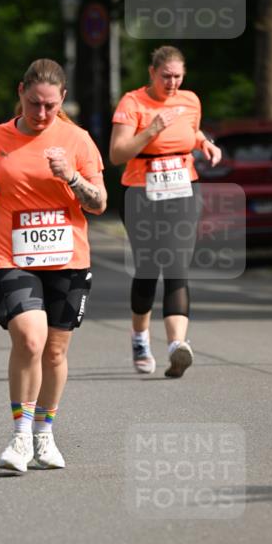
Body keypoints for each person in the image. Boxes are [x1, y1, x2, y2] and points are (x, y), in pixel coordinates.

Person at [0, 59, 107, 473]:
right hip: (12, 254)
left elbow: (99, 203)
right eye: (34, 104)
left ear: (62, 98)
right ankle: (20, 436)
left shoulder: (78, 140)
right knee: (29, 340)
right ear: (20, 93)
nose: (42, 113)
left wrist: (71, 178)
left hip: (67, 257)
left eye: (50, 105)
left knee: (54, 350)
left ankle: (45, 435)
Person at [109, 45, 222, 378]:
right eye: (165, 76)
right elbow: (117, 154)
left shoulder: (190, 100)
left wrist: (205, 143)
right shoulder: (133, 103)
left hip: (184, 190)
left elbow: (191, 130)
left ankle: (177, 346)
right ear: (151, 73)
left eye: (177, 77)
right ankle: (140, 338)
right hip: (142, 193)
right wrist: (152, 128)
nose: (172, 83)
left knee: (176, 266)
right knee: (147, 269)